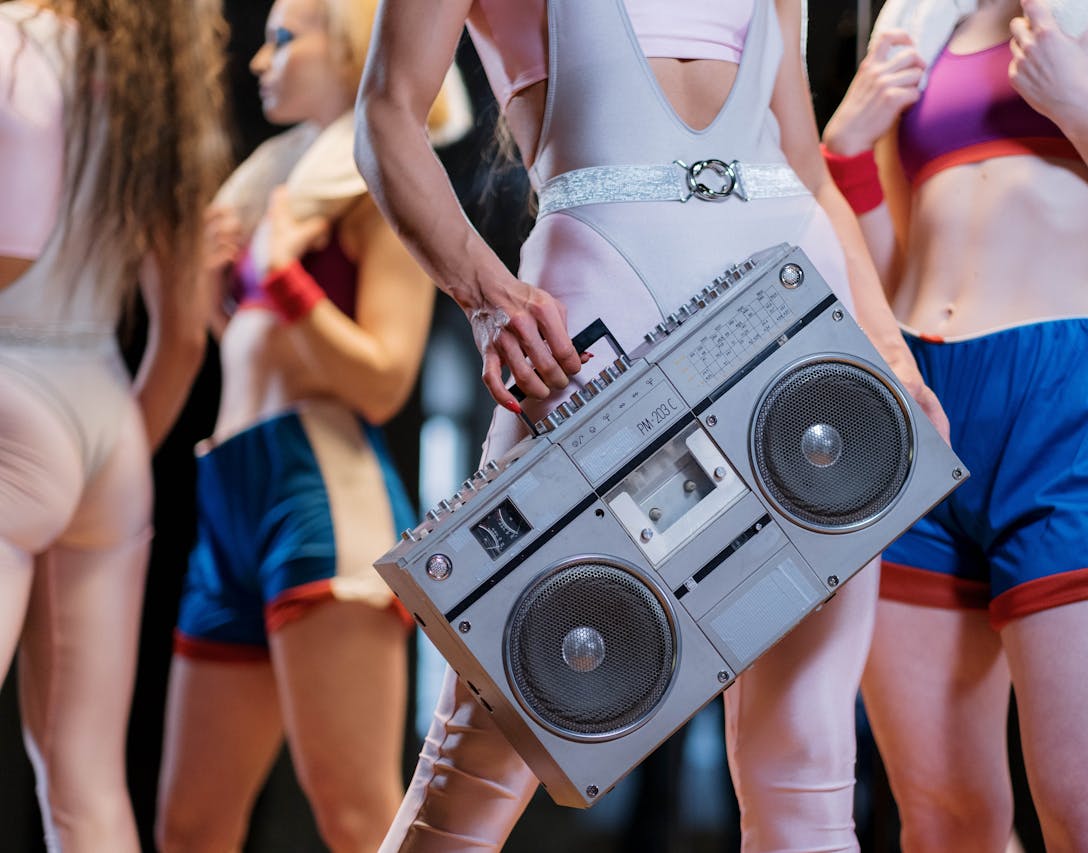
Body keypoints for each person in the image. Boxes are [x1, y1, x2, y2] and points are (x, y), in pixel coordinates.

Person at [354, 0, 949, 850]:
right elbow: (384, 114)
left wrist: (891, 353)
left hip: (799, 303)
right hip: (596, 307)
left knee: (808, 764)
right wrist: (485, 293)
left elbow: (804, 165)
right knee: (480, 759)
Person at [819, 0, 1088, 849]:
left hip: (1059, 394)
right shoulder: (918, 14)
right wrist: (845, 152)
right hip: (916, 402)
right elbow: (894, 260)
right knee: (944, 823)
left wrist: (1078, 107)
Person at [152, 1, 469, 850]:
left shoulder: (377, 193)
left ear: (353, 52)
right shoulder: (274, 189)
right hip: (233, 487)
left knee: (359, 814)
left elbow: (384, 379)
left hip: (316, 491)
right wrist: (229, 285)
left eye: (285, 40)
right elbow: (257, 358)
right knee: (190, 824)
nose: (260, 59)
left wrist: (285, 278)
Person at [0, 0, 228, 849]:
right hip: (107, 424)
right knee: (88, 786)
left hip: (11, 386)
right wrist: (100, 474)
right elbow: (182, 340)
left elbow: (11, 249)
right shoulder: (159, 98)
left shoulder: (14, 42)